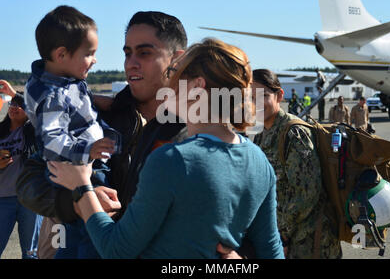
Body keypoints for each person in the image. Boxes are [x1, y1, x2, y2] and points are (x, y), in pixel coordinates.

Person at [16, 11, 239, 258]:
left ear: (177, 59)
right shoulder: (102, 119)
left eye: (144, 53)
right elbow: (29, 180)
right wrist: (78, 202)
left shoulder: (202, 131)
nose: (130, 63)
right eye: (127, 53)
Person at [47, 38, 284, 259]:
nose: (167, 82)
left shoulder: (173, 160)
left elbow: (116, 249)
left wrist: (82, 187)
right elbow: (272, 250)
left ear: (196, 87)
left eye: (174, 73)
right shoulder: (259, 161)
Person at [23, 5, 122, 259]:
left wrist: (96, 99)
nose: (95, 60)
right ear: (61, 54)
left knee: (73, 233)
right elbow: (52, 141)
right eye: (89, 54)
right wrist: (88, 149)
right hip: (80, 167)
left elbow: (76, 105)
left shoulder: (59, 80)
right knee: (92, 232)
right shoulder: (54, 95)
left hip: (78, 165)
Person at [252, 69, 342, 259]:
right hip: (283, 238)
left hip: (309, 241)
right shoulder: (260, 135)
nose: (255, 104)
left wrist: (281, 235)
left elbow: (306, 193)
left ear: (279, 96)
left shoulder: (294, 133)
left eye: (263, 96)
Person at [0, 80, 42, 259]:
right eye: (12, 104)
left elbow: (41, 115)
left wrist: (14, 94)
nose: (14, 107)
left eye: (19, 105)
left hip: (30, 199)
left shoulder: (34, 132)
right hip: (3, 199)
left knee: (30, 253)